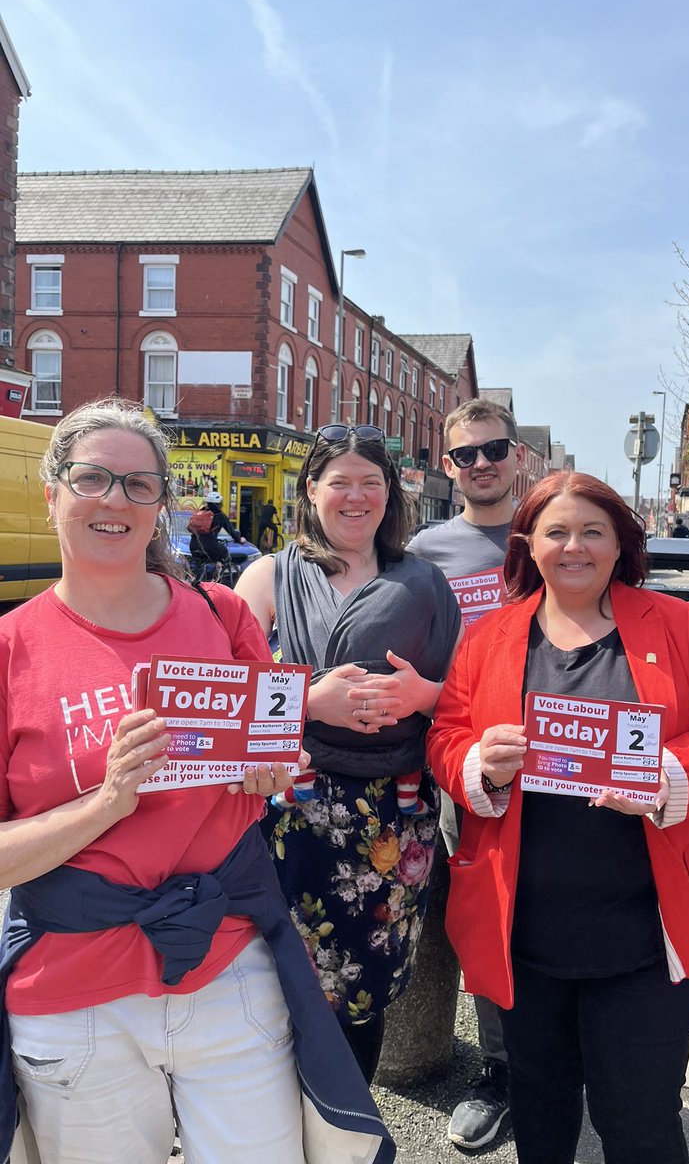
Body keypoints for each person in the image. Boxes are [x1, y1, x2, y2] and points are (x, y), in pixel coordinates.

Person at [0, 399, 395, 1164]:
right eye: (92, 479)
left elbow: (273, 760)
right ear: (52, 495)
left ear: (161, 508)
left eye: (138, 485)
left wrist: (275, 770)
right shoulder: (12, 650)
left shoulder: (219, 617)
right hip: (75, 993)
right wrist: (107, 803)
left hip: (228, 969)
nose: (115, 499)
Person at [427, 471, 689, 1164]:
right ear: (528, 546)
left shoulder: (671, 624)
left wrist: (665, 778)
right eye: (556, 532)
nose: (575, 547)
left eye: (592, 531)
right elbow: (446, 737)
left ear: (619, 542)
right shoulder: (490, 637)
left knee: (638, 1121)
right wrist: (481, 763)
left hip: (642, 936)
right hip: (526, 934)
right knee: (541, 1116)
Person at [235, 422, 461, 1083]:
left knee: (364, 994)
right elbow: (226, 693)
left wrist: (423, 694)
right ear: (312, 489)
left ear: (390, 495)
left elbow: (472, 698)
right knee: (274, 986)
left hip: (394, 821)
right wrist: (310, 702)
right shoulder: (268, 574)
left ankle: (349, 1124)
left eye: (372, 483)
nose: (356, 497)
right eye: (340, 483)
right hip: (291, 817)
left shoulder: (424, 582)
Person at [406, 397, 525, 1149]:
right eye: (464, 455)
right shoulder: (427, 552)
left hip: (572, 758)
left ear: (517, 456)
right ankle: (502, 1071)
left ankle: (575, 1057)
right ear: (447, 465)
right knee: (485, 917)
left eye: (494, 449)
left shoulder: (557, 529)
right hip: (473, 763)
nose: (480, 464)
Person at [188, 490, 246, 581]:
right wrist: (239, 539)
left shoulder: (200, 512)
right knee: (225, 555)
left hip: (194, 544)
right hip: (210, 546)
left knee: (199, 565)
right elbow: (231, 531)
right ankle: (217, 578)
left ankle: (197, 581)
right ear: (220, 504)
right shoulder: (220, 515)